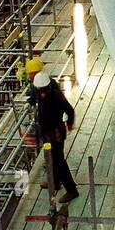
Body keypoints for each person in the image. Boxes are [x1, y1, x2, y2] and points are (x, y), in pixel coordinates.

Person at [34, 70, 78, 203]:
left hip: (55, 134)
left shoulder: (55, 97)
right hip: (49, 134)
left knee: (59, 162)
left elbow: (70, 110)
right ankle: (55, 182)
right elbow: (69, 111)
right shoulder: (47, 94)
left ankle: (71, 190)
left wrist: (69, 124)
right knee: (51, 159)